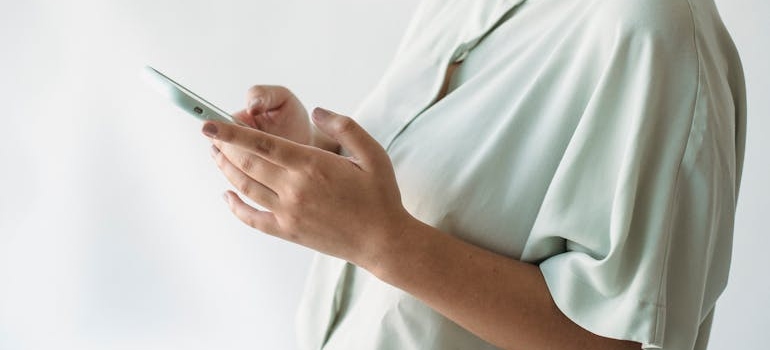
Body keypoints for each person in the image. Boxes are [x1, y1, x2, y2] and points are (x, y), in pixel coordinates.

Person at [199, 0, 745, 349]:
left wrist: (380, 240)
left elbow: (620, 340)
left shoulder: (654, 31)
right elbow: (460, 198)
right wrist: (319, 159)